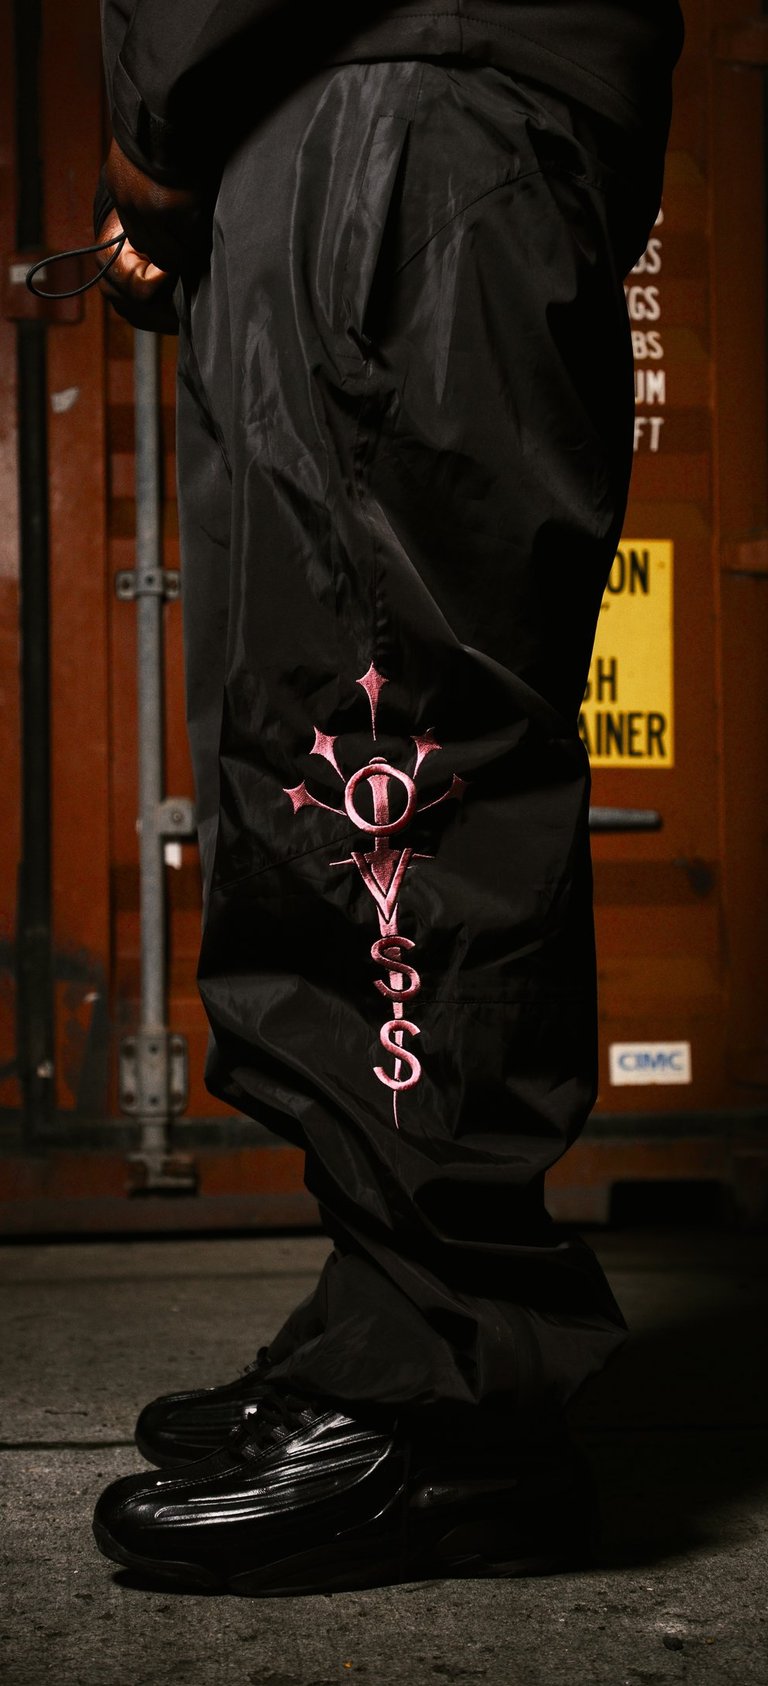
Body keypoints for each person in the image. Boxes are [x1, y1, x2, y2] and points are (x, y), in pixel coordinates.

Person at [92, 0, 684, 1594]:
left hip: (394, 97)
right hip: (360, 109)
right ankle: (394, 1320)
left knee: (385, 743)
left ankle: (451, 1391)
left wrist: (152, 127)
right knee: (320, 723)